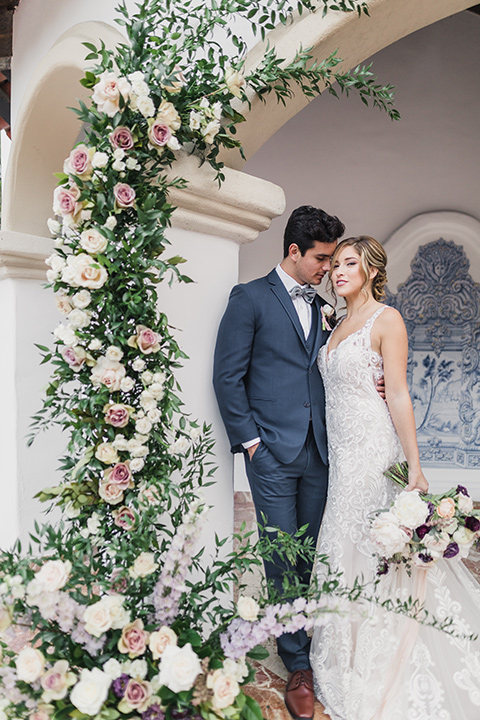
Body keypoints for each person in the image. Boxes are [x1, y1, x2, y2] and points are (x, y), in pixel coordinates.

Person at [310, 235, 480, 720]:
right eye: (334, 264)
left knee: (371, 548)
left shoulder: (389, 320)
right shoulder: (337, 322)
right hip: (340, 456)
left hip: (372, 450)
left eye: (348, 264)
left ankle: (380, 653)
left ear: (370, 270)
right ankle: (341, 651)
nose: (337, 271)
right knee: (341, 543)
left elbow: (399, 393)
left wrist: (416, 466)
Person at [213, 205, 345, 720]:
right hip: (270, 453)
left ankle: (312, 638)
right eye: (322, 259)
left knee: (313, 552)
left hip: (320, 451)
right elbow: (228, 377)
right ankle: (297, 663)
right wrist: (251, 445)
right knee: (280, 557)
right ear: (294, 250)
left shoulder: (325, 304)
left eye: (333, 259)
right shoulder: (249, 298)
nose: (329, 269)